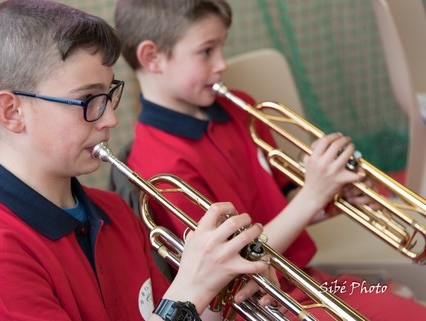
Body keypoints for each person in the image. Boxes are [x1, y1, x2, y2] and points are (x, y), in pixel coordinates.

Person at [0, 1, 280, 320]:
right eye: (88, 100)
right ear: (12, 112)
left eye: (109, 95)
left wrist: (220, 296)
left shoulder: (115, 212)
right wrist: (190, 291)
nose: (110, 119)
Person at [113, 0, 426, 319]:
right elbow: (230, 264)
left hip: (309, 282)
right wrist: (313, 194)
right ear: (152, 57)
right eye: (207, 51)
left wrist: (332, 193)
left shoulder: (241, 109)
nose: (222, 63)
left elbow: (282, 196)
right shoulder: (157, 164)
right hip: (257, 306)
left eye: (222, 46)